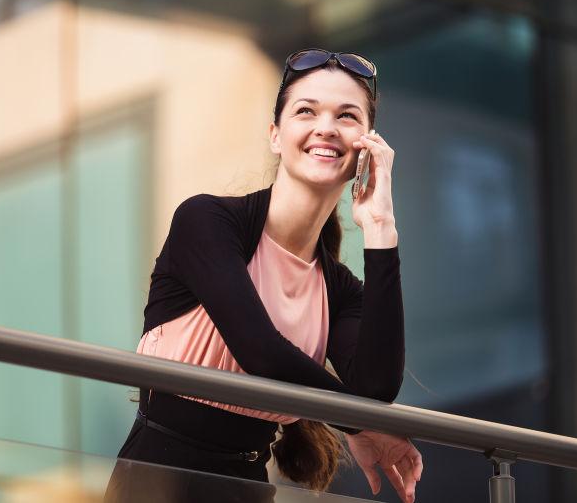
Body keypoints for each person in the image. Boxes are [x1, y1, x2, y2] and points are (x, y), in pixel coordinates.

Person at [104, 48, 423, 503]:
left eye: (347, 116)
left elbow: (376, 390)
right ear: (276, 135)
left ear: (367, 148)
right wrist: (359, 422)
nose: (326, 127)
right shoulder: (207, 221)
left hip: (248, 484)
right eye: (306, 111)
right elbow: (261, 353)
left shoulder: (338, 289)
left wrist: (380, 227)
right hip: (157, 479)